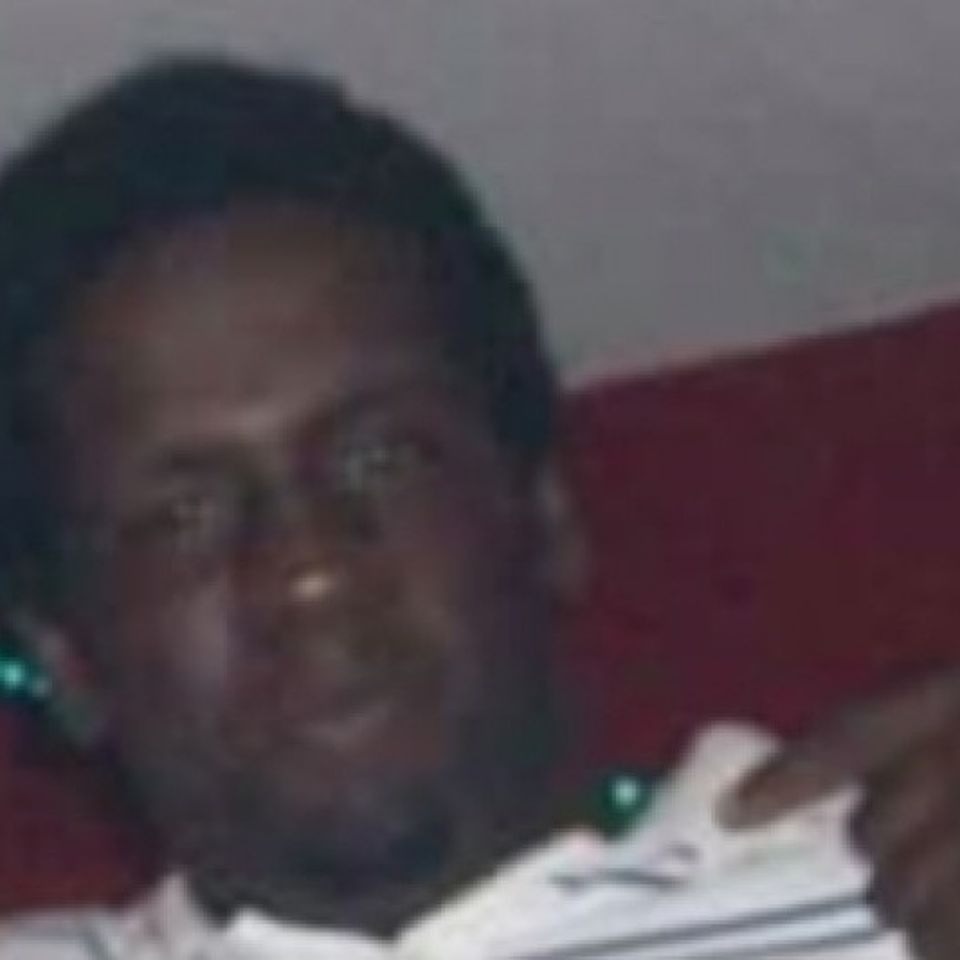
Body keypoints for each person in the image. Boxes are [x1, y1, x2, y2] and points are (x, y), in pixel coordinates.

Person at [0, 54, 956, 960]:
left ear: (543, 513)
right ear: (65, 659)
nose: (307, 571)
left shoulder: (902, 883)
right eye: (182, 517)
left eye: (381, 457)